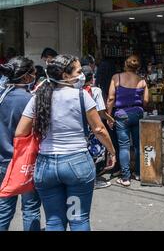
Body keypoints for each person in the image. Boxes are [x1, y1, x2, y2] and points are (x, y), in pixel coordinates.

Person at [15, 54, 116, 231]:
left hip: (45, 167)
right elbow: (99, 129)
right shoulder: (81, 95)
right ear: (65, 75)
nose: (82, 74)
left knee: (54, 221)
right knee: (78, 219)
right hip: (76, 166)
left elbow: (20, 132)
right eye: (78, 71)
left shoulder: (38, 96)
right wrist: (112, 152)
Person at [0, 57, 41, 231]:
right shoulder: (29, 100)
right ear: (25, 77)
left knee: (4, 209)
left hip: (3, 161)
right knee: (31, 208)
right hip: (24, 162)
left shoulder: (2, 96)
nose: (35, 75)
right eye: (33, 72)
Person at [107, 55, 149, 186]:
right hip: (137, 113)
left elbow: (110, 98)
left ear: (125, 64)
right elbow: (146, 101)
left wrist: (109, 115)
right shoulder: (142, 81)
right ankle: (138, 173)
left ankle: (125, 178)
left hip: (121, 114)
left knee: (124, 146)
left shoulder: (116, 77)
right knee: (137, 144)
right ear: (138, 67)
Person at [82, 65, 115, 189]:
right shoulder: (95, 91)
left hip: (79, 127)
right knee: (94, 154)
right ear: (92, 78)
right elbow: (101, 112)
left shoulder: (75, 90)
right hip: (93, 127)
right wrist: (111, 119)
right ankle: (93, 181)